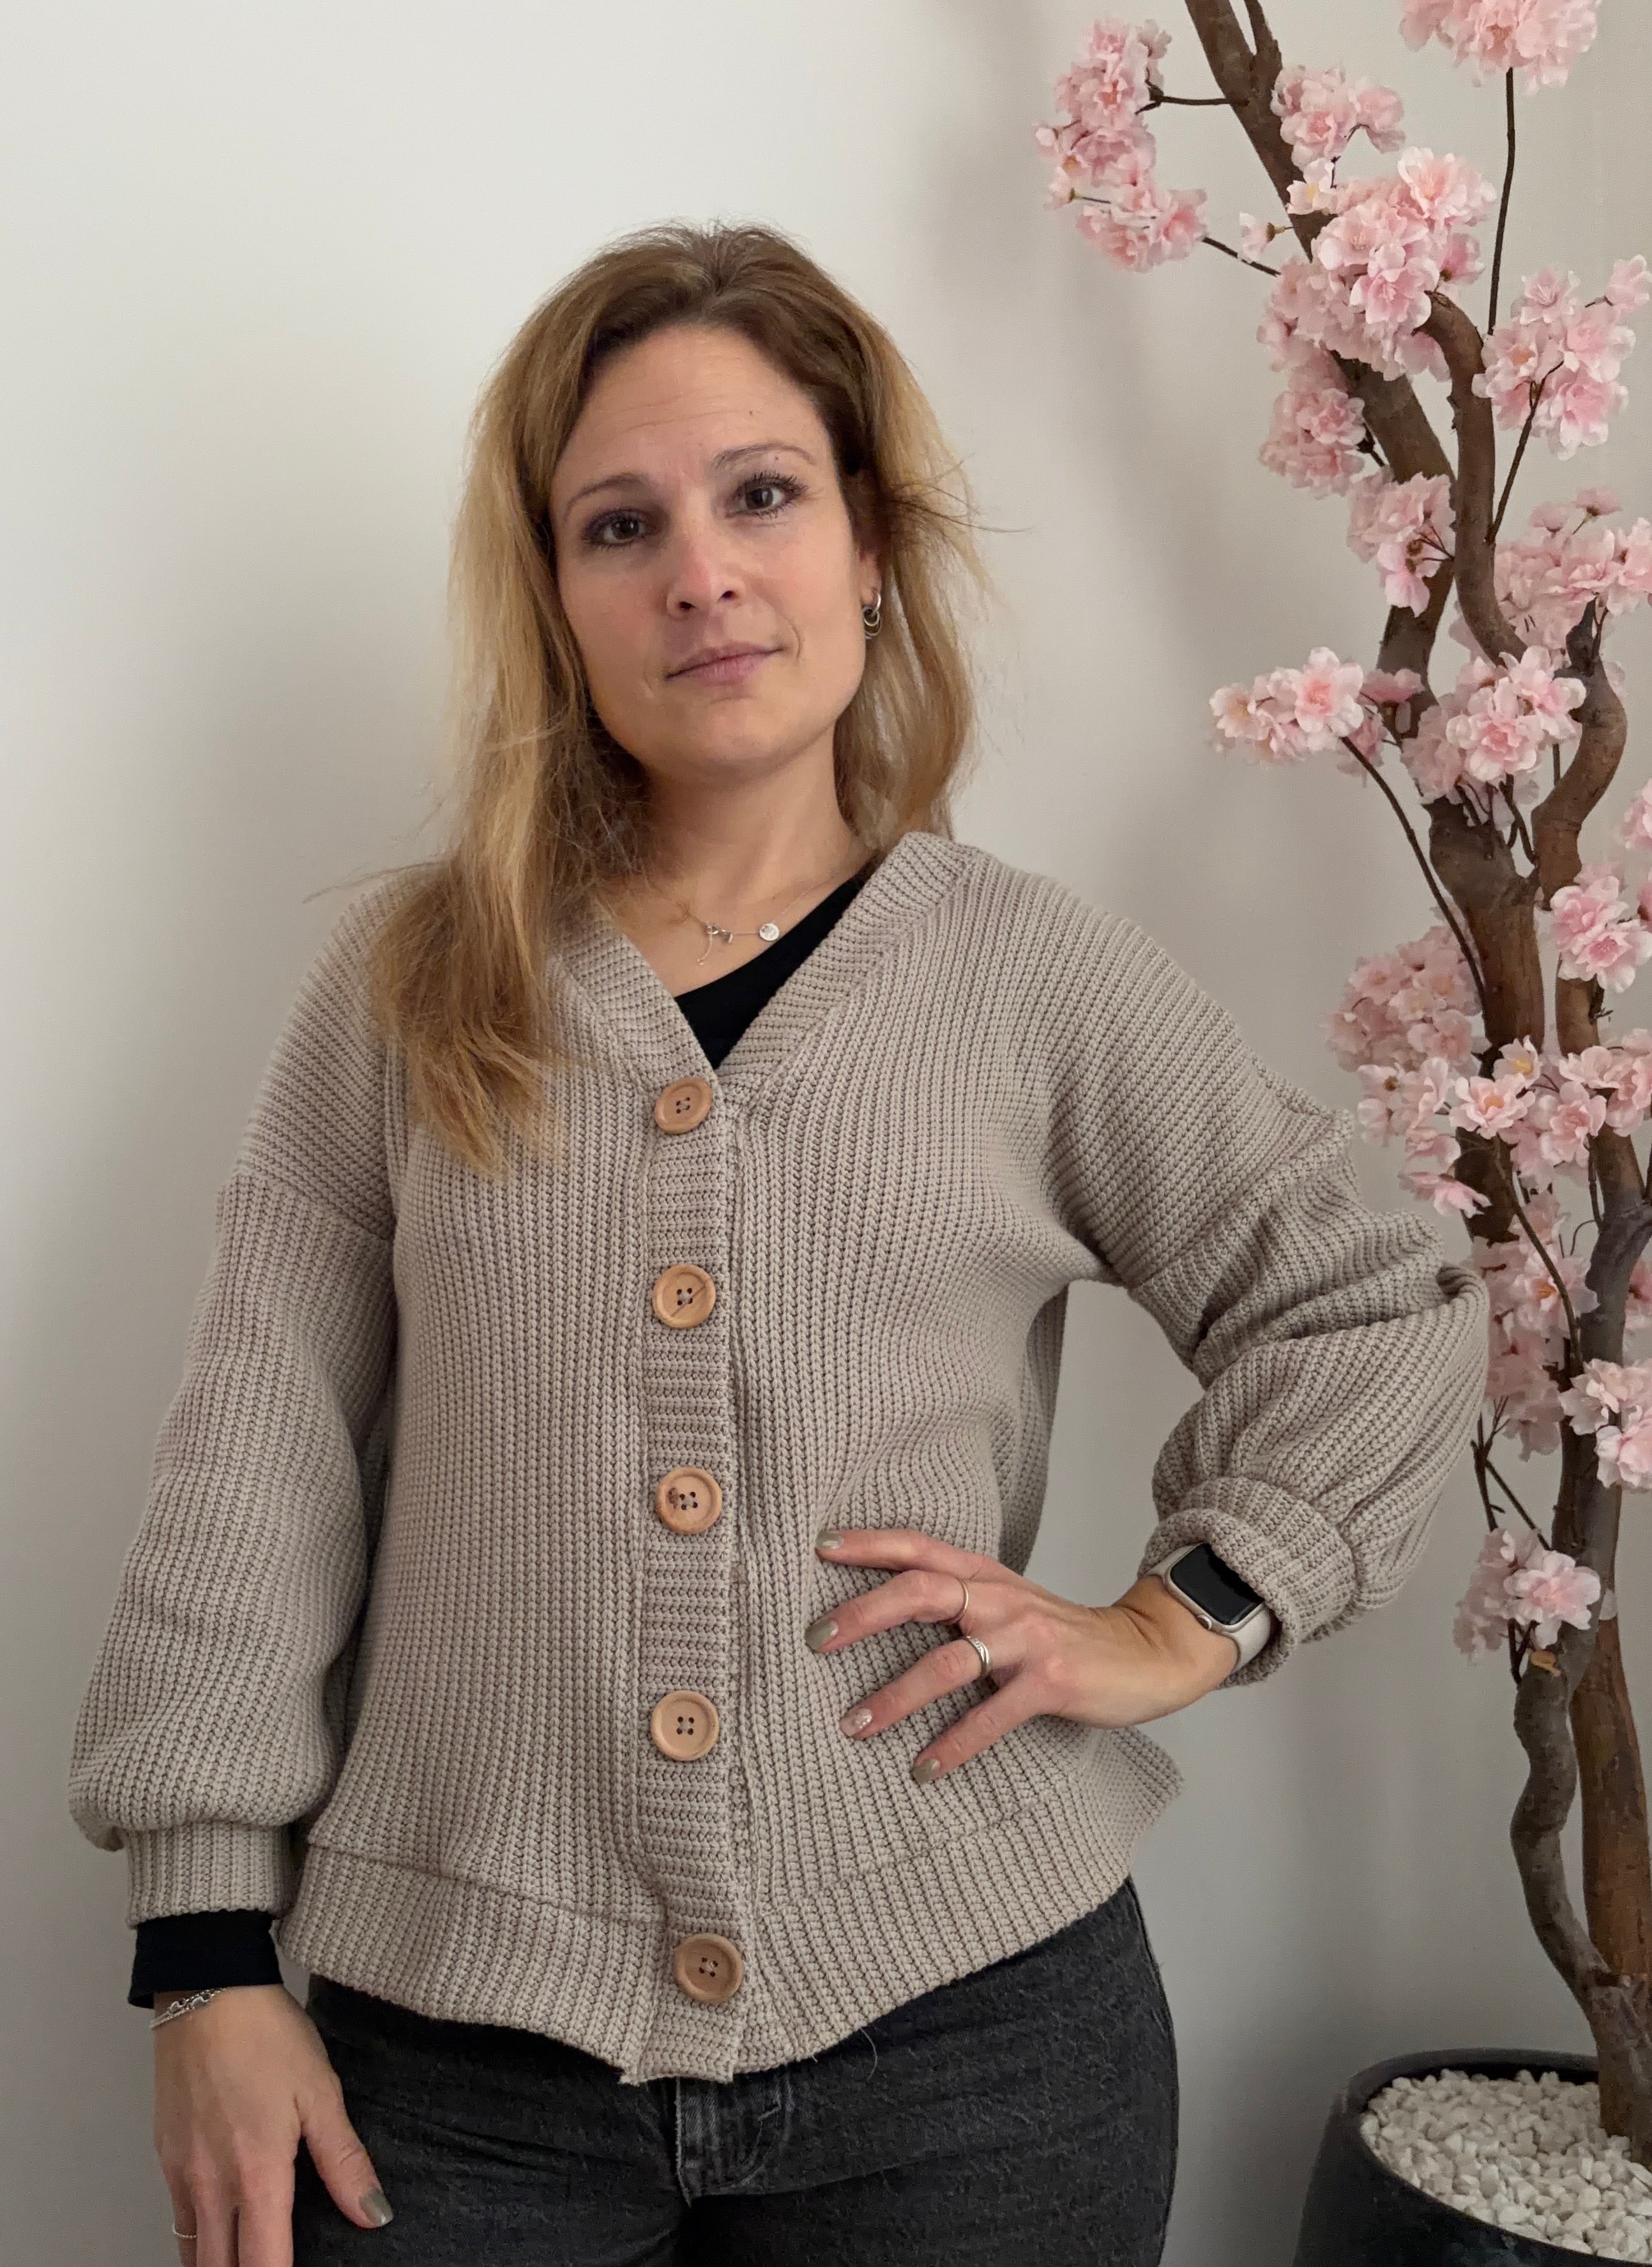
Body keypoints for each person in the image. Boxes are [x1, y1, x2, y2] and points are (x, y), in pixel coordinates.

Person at [68, 217, 1490, 2267]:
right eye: (617, 525)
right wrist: (204, 1958)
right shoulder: (417, 988)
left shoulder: (1030, 981)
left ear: (869, 544)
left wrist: (1177, 1619)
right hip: (453, 2077)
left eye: (761, 497)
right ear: (555, 602)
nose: (702, 574)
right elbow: (254, 1460)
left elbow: (1382, 1298)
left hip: (976, 2053)